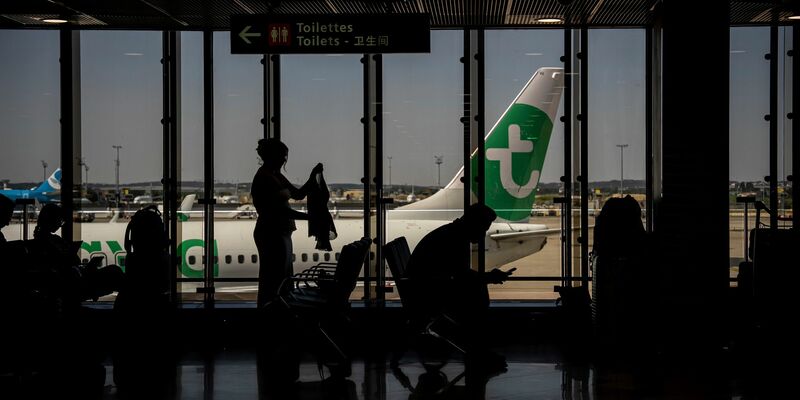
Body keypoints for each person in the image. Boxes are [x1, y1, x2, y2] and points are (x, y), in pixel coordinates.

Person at [405, 203, 513, 373]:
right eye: (483, 228)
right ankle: (477, 350)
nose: (483, 234)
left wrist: (486, 277)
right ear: (474, 224)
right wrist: (488, 277)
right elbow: (462, 275)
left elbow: (459, 274)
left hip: (421, 290)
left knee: (476, 290)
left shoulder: (451, 234)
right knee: (477, 295)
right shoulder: (455, 239)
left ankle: (477, 350)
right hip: (427, 295)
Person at [251, 138, 323, 307]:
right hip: (272, 233)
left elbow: (297, 194)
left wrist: (312, 177)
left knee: (277, 278)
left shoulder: (274, 175)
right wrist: (310, 218)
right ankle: (274, 316)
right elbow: (280, 211)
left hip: (279, 232)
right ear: (273, 156)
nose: (284, 159)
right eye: (282, 156)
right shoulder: (266, 178)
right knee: (276, 279)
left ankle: (274, 316)